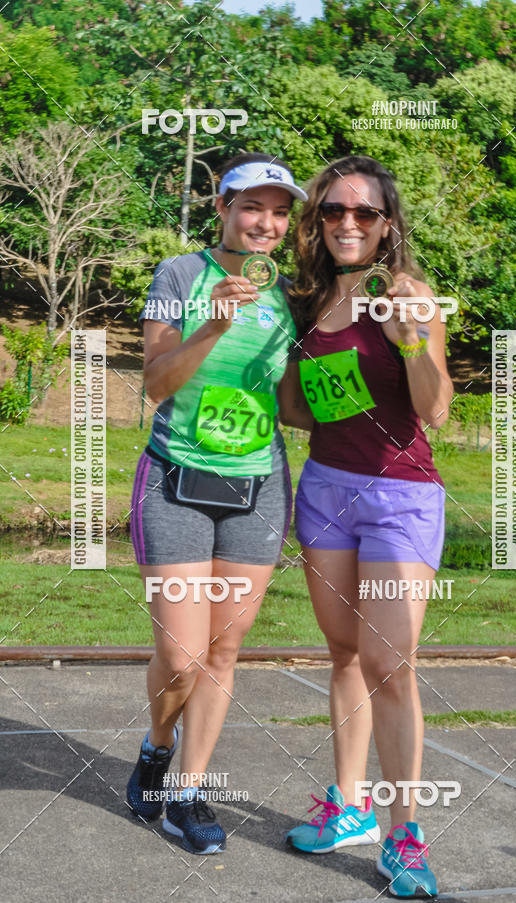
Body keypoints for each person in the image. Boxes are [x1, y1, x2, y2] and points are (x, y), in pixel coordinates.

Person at [126, 153, 307, 854]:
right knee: (179, 655)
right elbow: (156, 383)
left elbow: (291, 406)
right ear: (223, 208)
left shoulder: (291, 294)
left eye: (279, 211)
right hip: (175, 479)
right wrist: (213, 327)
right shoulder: (180, 275)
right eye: (251, 206)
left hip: (257, 486)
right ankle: (157, 743)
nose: (265, 222)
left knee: (223, 649)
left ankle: (187, 793)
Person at [285, 155, 453, 898]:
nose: (347, 224)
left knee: (391, 664)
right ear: (317, 221)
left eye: (364, 213)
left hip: (400, 496)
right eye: (333, 211)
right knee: (346, 654)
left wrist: (411, 335)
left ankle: (403, 833)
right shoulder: (305, 300)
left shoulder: (408, 294)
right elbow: (296, 411)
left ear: (388, 227)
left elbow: (435, 407)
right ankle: (346, 804)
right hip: (325, 487)